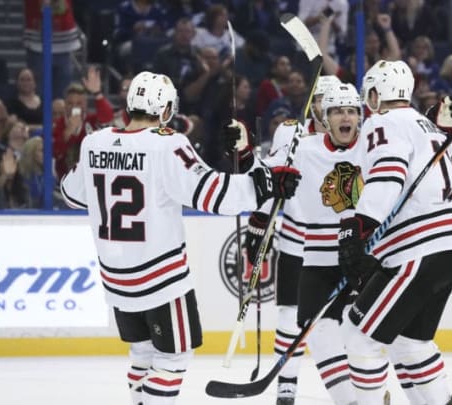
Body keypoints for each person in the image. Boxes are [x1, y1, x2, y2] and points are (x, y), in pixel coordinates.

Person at [59, 71, 301, 405]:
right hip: (160, 278)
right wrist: (266, 182)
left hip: (115, 279)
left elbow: (71, 194)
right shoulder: (167, 144)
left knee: (142, 353)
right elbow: (218, 196)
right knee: (173, 359)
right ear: (165, 108)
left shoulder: (94, 143)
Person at [337, 60, 452, 405]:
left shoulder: (382, 123)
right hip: (449, 242)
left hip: (420, 245)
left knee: (358, 335)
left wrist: (358, 227)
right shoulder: (425, 124)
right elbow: (439, 155)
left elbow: (388, 172)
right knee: (409, 341)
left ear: (375, 93)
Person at [228, 74, 342, 405]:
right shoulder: (291, 132)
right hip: (297, 240)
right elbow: (270, 176)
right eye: (320, 100)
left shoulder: (355, 138)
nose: (326, 108)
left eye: (333, 103)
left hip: (341, 245)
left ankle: (361, 386)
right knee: (290, 315)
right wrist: (259, 220)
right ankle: (286, 385)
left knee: (342, 324)